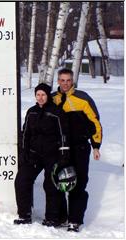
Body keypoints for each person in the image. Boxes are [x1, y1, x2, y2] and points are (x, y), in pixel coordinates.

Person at [53, 68, 102, 232]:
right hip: (59, 148)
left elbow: (95, 123)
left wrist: (96, 146)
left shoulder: (83, 98)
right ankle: (60, 217)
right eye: (62, 80)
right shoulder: (53, 99)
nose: (65, 83)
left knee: (78, 184)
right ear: (58, 81)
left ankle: (75, 220)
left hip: (79, 147)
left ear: (72, 81)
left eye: (68, 80)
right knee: (58, 182)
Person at [14, 83, 70, 227]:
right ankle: (24, 215)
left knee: (51, 185)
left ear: (48, 95)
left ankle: (52, 218)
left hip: (53, 155)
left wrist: (64, 155)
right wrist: (24, 152)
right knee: (22, 180)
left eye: (43, 95)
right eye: (38, 95)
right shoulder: (31, 112)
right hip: (34, 155)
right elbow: (25, 133)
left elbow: (64, 134)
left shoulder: (56, 112)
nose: (40, 97)